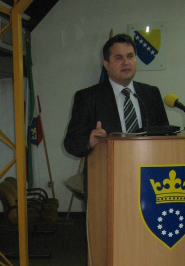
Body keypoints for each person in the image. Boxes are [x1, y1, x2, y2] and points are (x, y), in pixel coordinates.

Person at [64, 33, 169, 200]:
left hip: (149, 182)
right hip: (106, 184)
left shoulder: (151, 94)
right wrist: (88, 141)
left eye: (130, 56)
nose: (126, 62)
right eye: (119, 58)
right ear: (106, 65)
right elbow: (71, 143)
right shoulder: (88, 97)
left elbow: (166, 137)